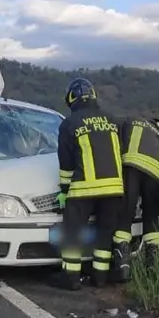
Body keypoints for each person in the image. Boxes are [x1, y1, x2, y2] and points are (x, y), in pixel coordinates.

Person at [51, 77, 125, 290]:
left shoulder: (69, 124)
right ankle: (100, 276)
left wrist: (64, 190)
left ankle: (71, 277)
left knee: (72, 231)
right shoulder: (112, 120)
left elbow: (65, 162)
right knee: (105, 232)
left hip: (84, 188)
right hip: (114, 188)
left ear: (71, 99)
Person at [113, 116, 159, 281]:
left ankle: (122, 268)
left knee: (126, 213)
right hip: (155, 173)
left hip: (132, 167)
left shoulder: (131, 120)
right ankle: (152, 269)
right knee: (151, 217)